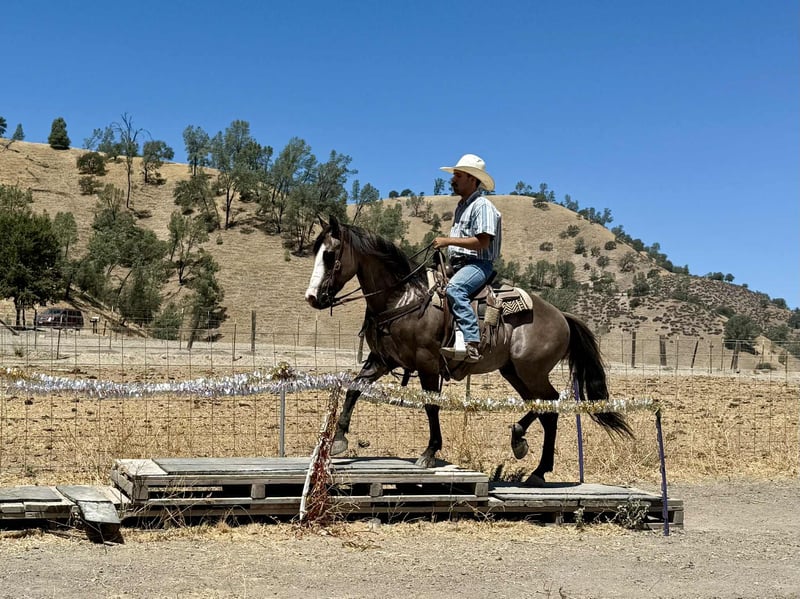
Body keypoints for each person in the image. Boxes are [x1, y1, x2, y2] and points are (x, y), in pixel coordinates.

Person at [432, 154, 502, 363]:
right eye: (454, 175)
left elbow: (482, 242)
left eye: (458, 175)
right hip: (458, 265)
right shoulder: (462, 206)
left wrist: (447, 241)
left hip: (478, 264)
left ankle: (472, 342)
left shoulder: (482, 206)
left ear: (472, 179)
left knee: (455, 289)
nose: (452, 180)